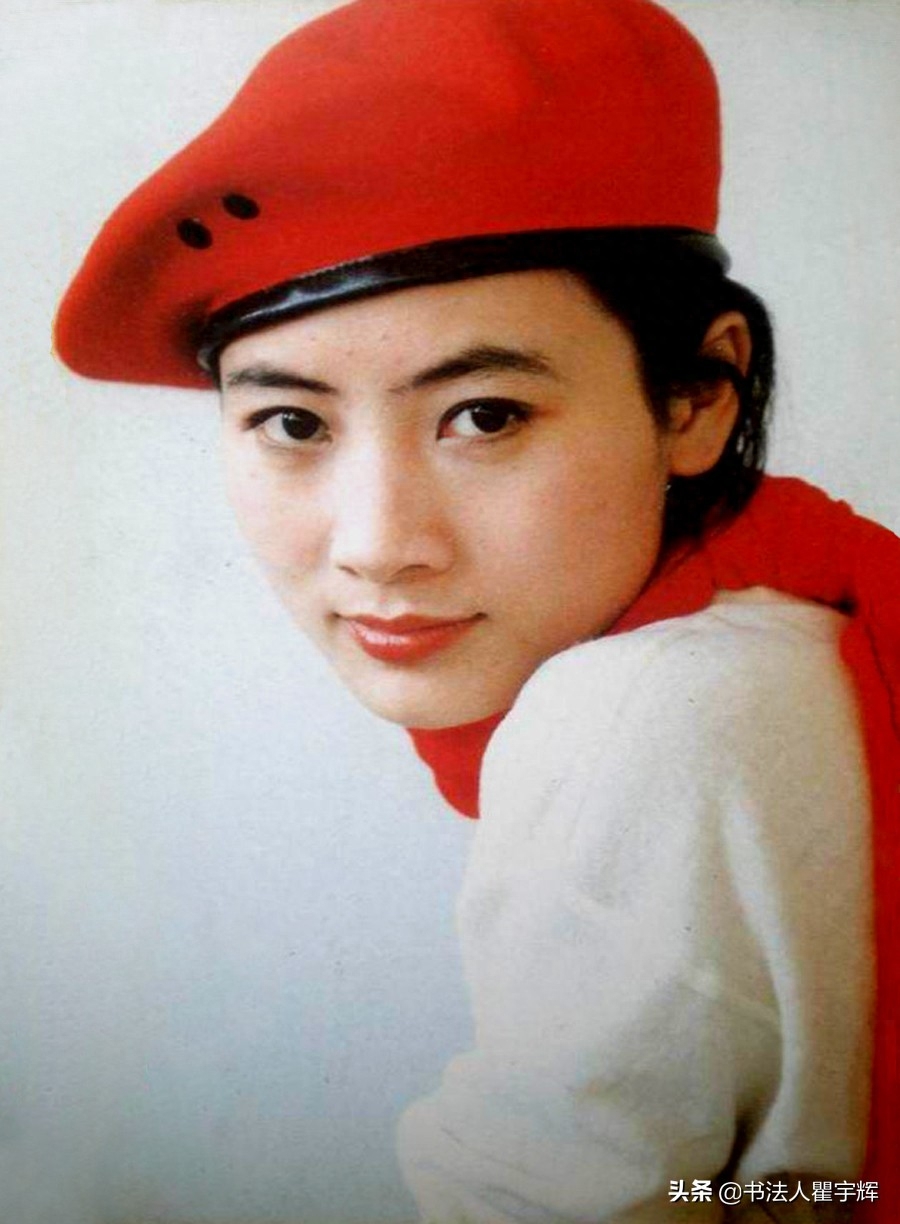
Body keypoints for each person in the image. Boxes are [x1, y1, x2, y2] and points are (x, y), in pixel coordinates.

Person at [53, 0, 899, 1219]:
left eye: (485, 415)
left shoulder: (641, 715)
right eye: (291, 422)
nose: (379, 545)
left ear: (699, 398)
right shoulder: (801, 630)